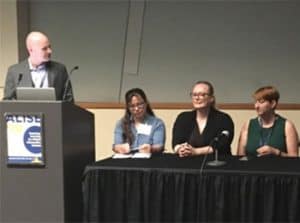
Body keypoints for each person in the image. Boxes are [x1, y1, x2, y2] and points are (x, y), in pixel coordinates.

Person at [3, 31, 74, 102]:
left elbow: (69, 101)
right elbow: (7, 101)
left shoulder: (60, 69)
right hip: (25, 112)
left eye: (49, 47)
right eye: (44, 49)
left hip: (54, 112)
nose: (49, 51)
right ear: (31, 50)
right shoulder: (14, 71)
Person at [172, 81, 234, 157]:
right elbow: (175, 143)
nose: (197, 98)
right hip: (186, 162)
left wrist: (196, 152)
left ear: (211, 98)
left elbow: (222, 145)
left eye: (202, 95)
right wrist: (180, 149)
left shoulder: (223, 119)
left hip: (216, 163)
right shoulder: (183, 118)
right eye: (194, 95)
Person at [237, 86, 299, 157]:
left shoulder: (287, 125)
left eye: (261, 102)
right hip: (252, 167)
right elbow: (240, 157)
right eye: (255, 102)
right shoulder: (248, 124)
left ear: (273, 104)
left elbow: (294, 159)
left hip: (278, 167)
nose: (256, 106)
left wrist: (277, 152)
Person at [113, 88, 166, 154]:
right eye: (132, 106)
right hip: (127, 161)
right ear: (128, 108)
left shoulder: (157, 123)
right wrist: (118, 148)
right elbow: (116, 145)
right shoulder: (121, 124)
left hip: (149, 160)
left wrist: (151, 149)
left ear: (146, 103)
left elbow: (159, 146)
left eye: (139, 104)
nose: (136, 109)